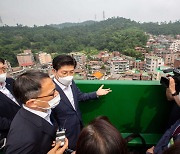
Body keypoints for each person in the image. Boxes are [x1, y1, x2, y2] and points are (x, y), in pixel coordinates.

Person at [52, 55, 112, 150]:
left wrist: (96, 94)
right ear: (54, 71)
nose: (68, 76)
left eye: (71, 72)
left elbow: (79, 96)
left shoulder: (71, 83)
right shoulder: (49, 90)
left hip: (78, 126)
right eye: (64, 73)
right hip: (64, 133)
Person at [5, 71, 68, 154]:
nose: (57, 94)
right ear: (32, 103)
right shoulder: (24, 138)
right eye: (52, 93)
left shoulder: (44, 107)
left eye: (55, 89)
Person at [0, 58, 20, 149]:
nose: (2, 72)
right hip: (11, 133)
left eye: (3, 69)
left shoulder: (10, 82)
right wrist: (19, 123)